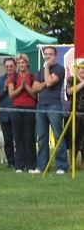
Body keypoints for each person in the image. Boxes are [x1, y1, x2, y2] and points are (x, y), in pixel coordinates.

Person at [31, 46, 68, 174]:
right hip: (41, 106)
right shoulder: (40, 70)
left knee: (58, 136)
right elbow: (34, 89)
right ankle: (41, 166)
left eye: (50, 54)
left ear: (55, 56)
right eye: (45, 54)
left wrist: (47, 69)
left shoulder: (59, 69)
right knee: (41, 138)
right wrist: (45, 82)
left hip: (54, 105)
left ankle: (61, 166)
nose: (47, 56)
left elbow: (50, 83)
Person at [8, 53, 37, 173]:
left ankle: (31, 165)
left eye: (23, 62)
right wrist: (21, 86)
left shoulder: (33, 77)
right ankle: (19, 165)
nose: (21, 65)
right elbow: (11, 95)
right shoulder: (13, 78)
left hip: (30, 108)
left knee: (29, 137)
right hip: (16, 109)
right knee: (18, 137)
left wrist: (26, 85)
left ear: (27, 64)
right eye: (19, 63)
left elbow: (34, 95)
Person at [0, 58, 16, 167]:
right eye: (7, 66)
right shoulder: (0, 80)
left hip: (16, 112)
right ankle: (11, 162)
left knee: (18, 139)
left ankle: (19, 160)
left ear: (15, 66)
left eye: (11, 66)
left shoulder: (19, 78)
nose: (9, 68)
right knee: (7, 139)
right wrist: (5, 88)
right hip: (4, 114)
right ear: (4, 67)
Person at [65, 61, 84, 166]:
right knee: (73, 139)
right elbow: (69, 92)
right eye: (82, 68)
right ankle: (72, 163)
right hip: (74, 114)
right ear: (78, 69)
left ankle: (83, 164)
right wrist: (82, 83)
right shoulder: (72, 79)